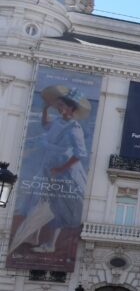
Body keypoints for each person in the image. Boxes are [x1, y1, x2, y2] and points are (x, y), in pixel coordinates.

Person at [9, 85, 91, 255]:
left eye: (62, 106)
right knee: (38, 199)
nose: (59, 108)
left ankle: (50, 244)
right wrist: (45, 108)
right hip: (49, 165)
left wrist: (60, 169)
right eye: (58, 105)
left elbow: (80, 154)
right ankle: (32, 236)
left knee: (55, 207)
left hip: (64, 171)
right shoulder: (59, 121)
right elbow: (46, 125)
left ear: (71, 108)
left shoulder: (75, 129)